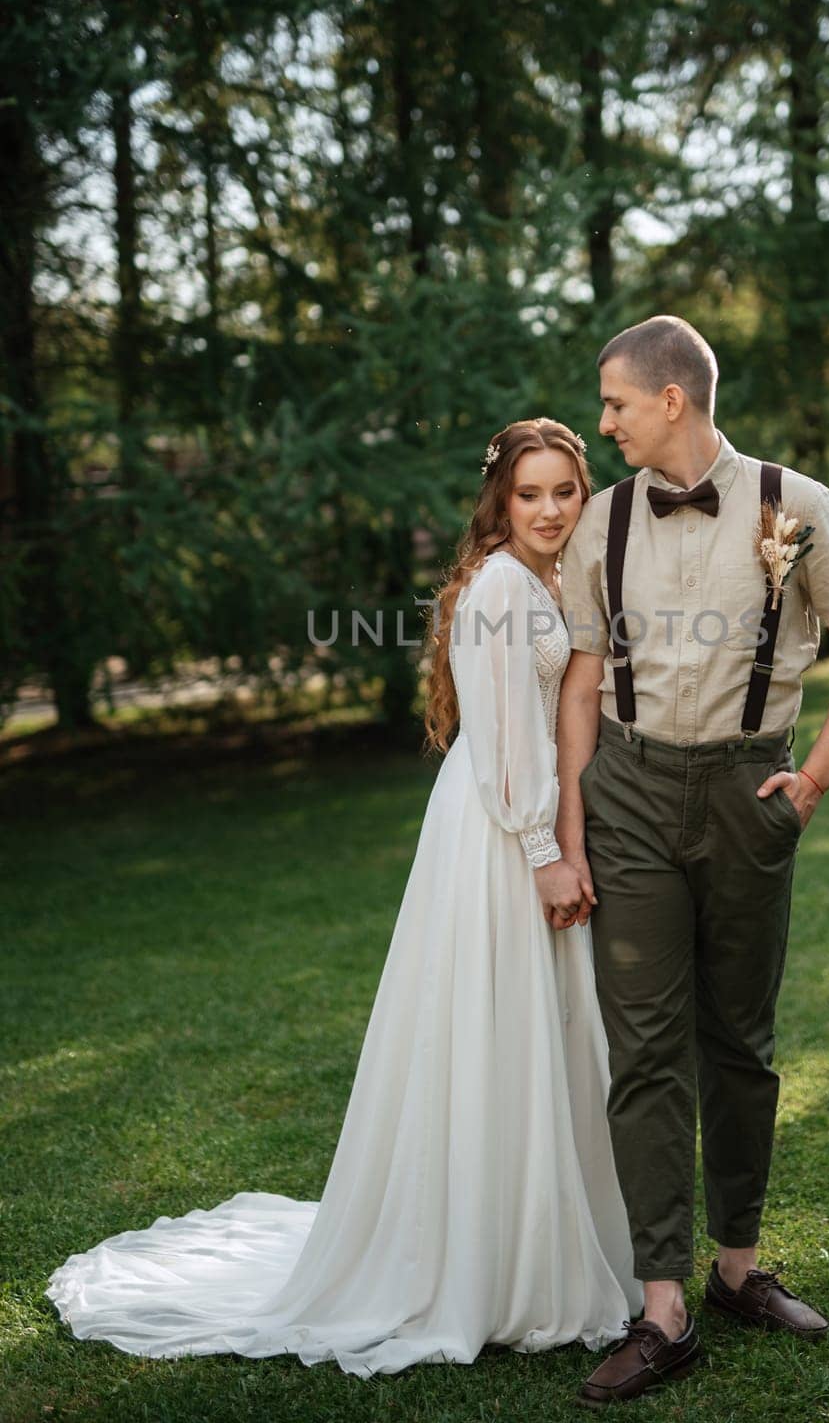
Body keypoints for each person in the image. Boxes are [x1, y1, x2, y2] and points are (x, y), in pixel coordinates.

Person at [45, 417, 643, 1378]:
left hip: (517, 820)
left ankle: (532, 1244)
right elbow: (498, 737)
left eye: (564, 492)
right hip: (498, 833)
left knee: (538, 1032)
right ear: (500, 500)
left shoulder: (551, 580)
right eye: (529, 494)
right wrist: (543, 849)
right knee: (496, 1028)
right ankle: (481, 1263)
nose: (548, 510)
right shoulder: (498, 585)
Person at [556, 316, 829, 1408]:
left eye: (614, 402)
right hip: (632, 794)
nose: (601, 422)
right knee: (646, 1047)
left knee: (740, 1041)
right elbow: (575, 680)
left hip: (752, 794)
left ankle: (739, 1266)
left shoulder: (798, 506)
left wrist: (814, 781)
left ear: (672, 399)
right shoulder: (600, 522)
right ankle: (664, 1306)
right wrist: (572, 824)